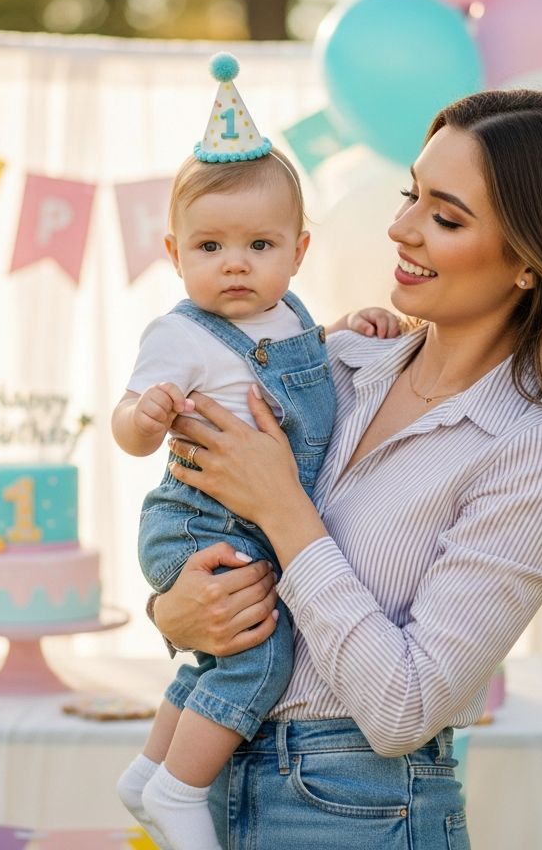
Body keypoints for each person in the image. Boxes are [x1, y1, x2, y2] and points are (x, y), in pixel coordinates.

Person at [148, 88, 542, 849]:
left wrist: (285, 508)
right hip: (211, 781)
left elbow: (404, 709)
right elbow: (197, 521)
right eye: (411, 195)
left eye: (445, 216)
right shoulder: (337, 364)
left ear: (532, 261)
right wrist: (173, 613)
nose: (400, 228)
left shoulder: (538, 450)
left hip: (352, 811)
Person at [111, 53, 399, 850]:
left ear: (298, 251)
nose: (235, 263)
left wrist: (340, 333)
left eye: (259, 245)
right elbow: (125, 421)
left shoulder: (289, 315)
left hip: (250, 518)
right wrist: (149, 414)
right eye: (209, 247)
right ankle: (180, 790)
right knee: (258, 655)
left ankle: (148, 770)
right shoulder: (179, 335)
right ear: (174, 253)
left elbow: (299, 354)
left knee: (217, 654)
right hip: (199, 519)